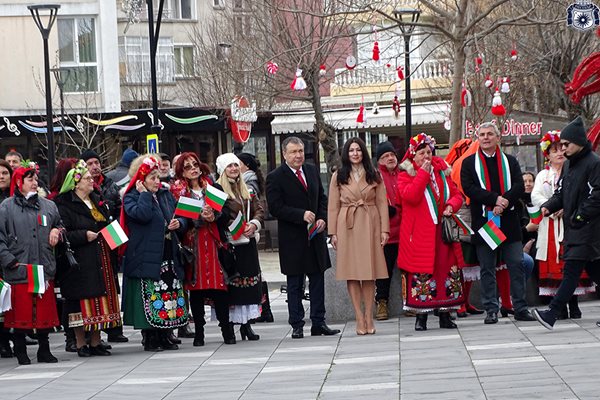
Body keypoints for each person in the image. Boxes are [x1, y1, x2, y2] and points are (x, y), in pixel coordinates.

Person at [461, 122, 535, 324]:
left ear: (497, 137)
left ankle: (520, 307)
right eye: (482, 134)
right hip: (485, 222)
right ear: (478, 138)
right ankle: (491, 309)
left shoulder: (510, 161)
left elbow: (520, 185)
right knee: (487, 267)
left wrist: (504, 202)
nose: (486, 137)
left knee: (516, 264)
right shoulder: (469, 163)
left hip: (509, 221)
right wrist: (494, 199)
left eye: (490, 134)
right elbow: (469, 188)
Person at [266, 136, 340, 339]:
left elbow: (322, 198)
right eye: (293, 152)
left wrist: (323, 218)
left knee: (317, 280)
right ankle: (297, 324)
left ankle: (319, 322)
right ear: (284, 154)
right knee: (295, 283)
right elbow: (275, 207)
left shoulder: (311, 170)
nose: (298, 155)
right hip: (293, 238)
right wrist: (300, 215)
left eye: (300, 151)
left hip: (315, 236)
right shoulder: (276, 176)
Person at [533, 116, 600, 330]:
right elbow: (561, 193)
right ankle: (552, 313)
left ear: (578, 142)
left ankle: (551, 313)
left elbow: (597, 195)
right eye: (561, 145)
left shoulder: (594, 163)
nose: (562, 149)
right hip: (575, 228)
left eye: (566, 144)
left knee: (570, 272)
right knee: (596, 272)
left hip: (588, 228)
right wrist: (548, 207)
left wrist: (580, 216)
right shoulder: (570, 165)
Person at [396, 133, 464, 331]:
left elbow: (457, 194)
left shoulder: (442, 172)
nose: (426, 156)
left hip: (442, 232)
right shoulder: (405, 174)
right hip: (419, 234)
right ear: (413, 156)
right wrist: (423, 174)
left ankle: (445, 314)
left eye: (428, 152)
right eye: (421, 153)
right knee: (423, 271)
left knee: (445, 269)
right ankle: (421, 316)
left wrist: (451, 205)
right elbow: (411, 196)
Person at [55, 160, 122, 357]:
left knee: (99, 300)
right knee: (81, 302)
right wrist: (84, 235)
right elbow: (63, 232)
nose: (91, 181)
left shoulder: (95, 200)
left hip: (100, 257)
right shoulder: (64, 204)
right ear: (76, 183)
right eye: (86, 179)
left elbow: (105, 223)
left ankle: (95, 341)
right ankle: (80, 342)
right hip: (80, 260)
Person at [121, 155, 189, 351]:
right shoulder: (131, 196)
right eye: (152, 178)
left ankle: (165, 333)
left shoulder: (164, 194)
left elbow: (179, 214)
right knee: (151, 297)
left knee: (167, 293)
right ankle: (150, 336)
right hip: (146, 255)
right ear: (141, 179)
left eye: (158, 177)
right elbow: (142, 215)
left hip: (167, 253)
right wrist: (144, 194)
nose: (157, 182)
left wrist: (179, 223)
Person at [170, 152, 236, 346]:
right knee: (196, 291)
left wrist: (213, 216)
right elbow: (181, 223)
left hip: (215, 244)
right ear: (182, 172)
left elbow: (226, 216)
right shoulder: (180, 193)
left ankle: (227, 331)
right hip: (194, 247)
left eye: (195, 164)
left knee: (220, 288)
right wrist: (197, 218)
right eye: (188, 166)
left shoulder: (213, 187)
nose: (193, 169)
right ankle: (199, 333)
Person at [0, 162, 62, 365]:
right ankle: (20, 349)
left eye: (36, 179)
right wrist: (9, 261)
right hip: (20, 266)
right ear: (19, 182)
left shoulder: (48, 205)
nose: (35, 183)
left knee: (43, 310)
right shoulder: (6, 207)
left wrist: (57, 231)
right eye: (30, 179)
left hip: (43, 266)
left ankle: (45, 349)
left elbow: (59, 225)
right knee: (21, 312)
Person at [328, 138, 389, 334]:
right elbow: (333, 206)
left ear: (364, 152)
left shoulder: (374, 175)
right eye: (351, 150)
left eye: (358, 150)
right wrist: (333, 233)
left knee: (370, 273)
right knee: (351, 273)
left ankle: (370, 316)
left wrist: (384, 230)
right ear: (346, 154)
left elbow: (381, 204)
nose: (355, 153)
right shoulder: (338, 176)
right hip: (347, 225)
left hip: (370, 222)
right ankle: (359, 317)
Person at [80, 149, 127, 343]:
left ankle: (115, 328)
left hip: (110, 239)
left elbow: (117, 211)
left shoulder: (109, 185)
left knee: (112, 286)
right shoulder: (82, 190)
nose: (95, 167)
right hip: (91, 244)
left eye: (96, 162)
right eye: (90, 163)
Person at [216, 153, 264, 341]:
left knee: (249, 284)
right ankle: (229, 325)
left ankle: (246, 325)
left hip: (248, 241)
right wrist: (232, 225)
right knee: (232, 286)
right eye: (230, 166)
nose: (234, 169)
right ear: (223, 169)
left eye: (236, 165)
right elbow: (218, 214)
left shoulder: (248, 190)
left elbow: (259, 209)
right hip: (230, 243)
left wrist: (253, 224)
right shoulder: (218, 190)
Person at [237, 152, 273, 323]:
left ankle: (264, 309)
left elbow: (253, 206)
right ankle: (264, 309)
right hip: (252, 229)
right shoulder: (252, 178)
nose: (236, 167)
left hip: (249, 230)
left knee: (256, 272)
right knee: (258, 272)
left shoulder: (248, 182)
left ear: (246, 166)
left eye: (238, 163)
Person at [373, 141, 400, 321]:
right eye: (385, 156)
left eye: (392, 155)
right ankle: (381, 301)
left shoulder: (405, 173)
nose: (390, 158)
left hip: (406, 231)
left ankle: (412, 301)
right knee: (385, 271)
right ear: (379, 161)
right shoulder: (375, 178)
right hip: (387, 233)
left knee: (409, 269)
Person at [0, 160, 12, 358]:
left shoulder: (13, 200)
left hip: (11, 256)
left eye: (4, 173)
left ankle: (7, 340)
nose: (1, 176)